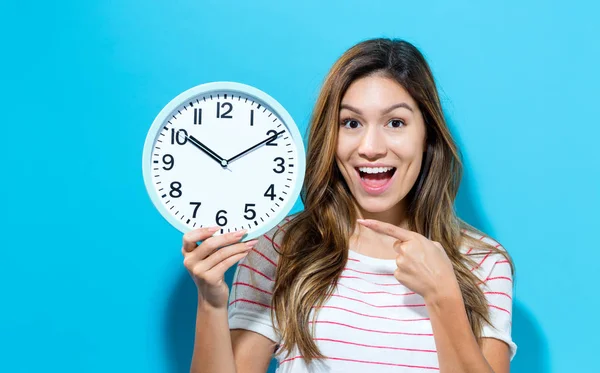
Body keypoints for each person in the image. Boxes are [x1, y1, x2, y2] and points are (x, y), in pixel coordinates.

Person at [181, 38, 516, 373]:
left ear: (426, 135)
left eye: (395, 123)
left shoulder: (483, 263)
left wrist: (444, 296)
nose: (370, 148)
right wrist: (211, 303)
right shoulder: (282, 248)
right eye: (351, 123)